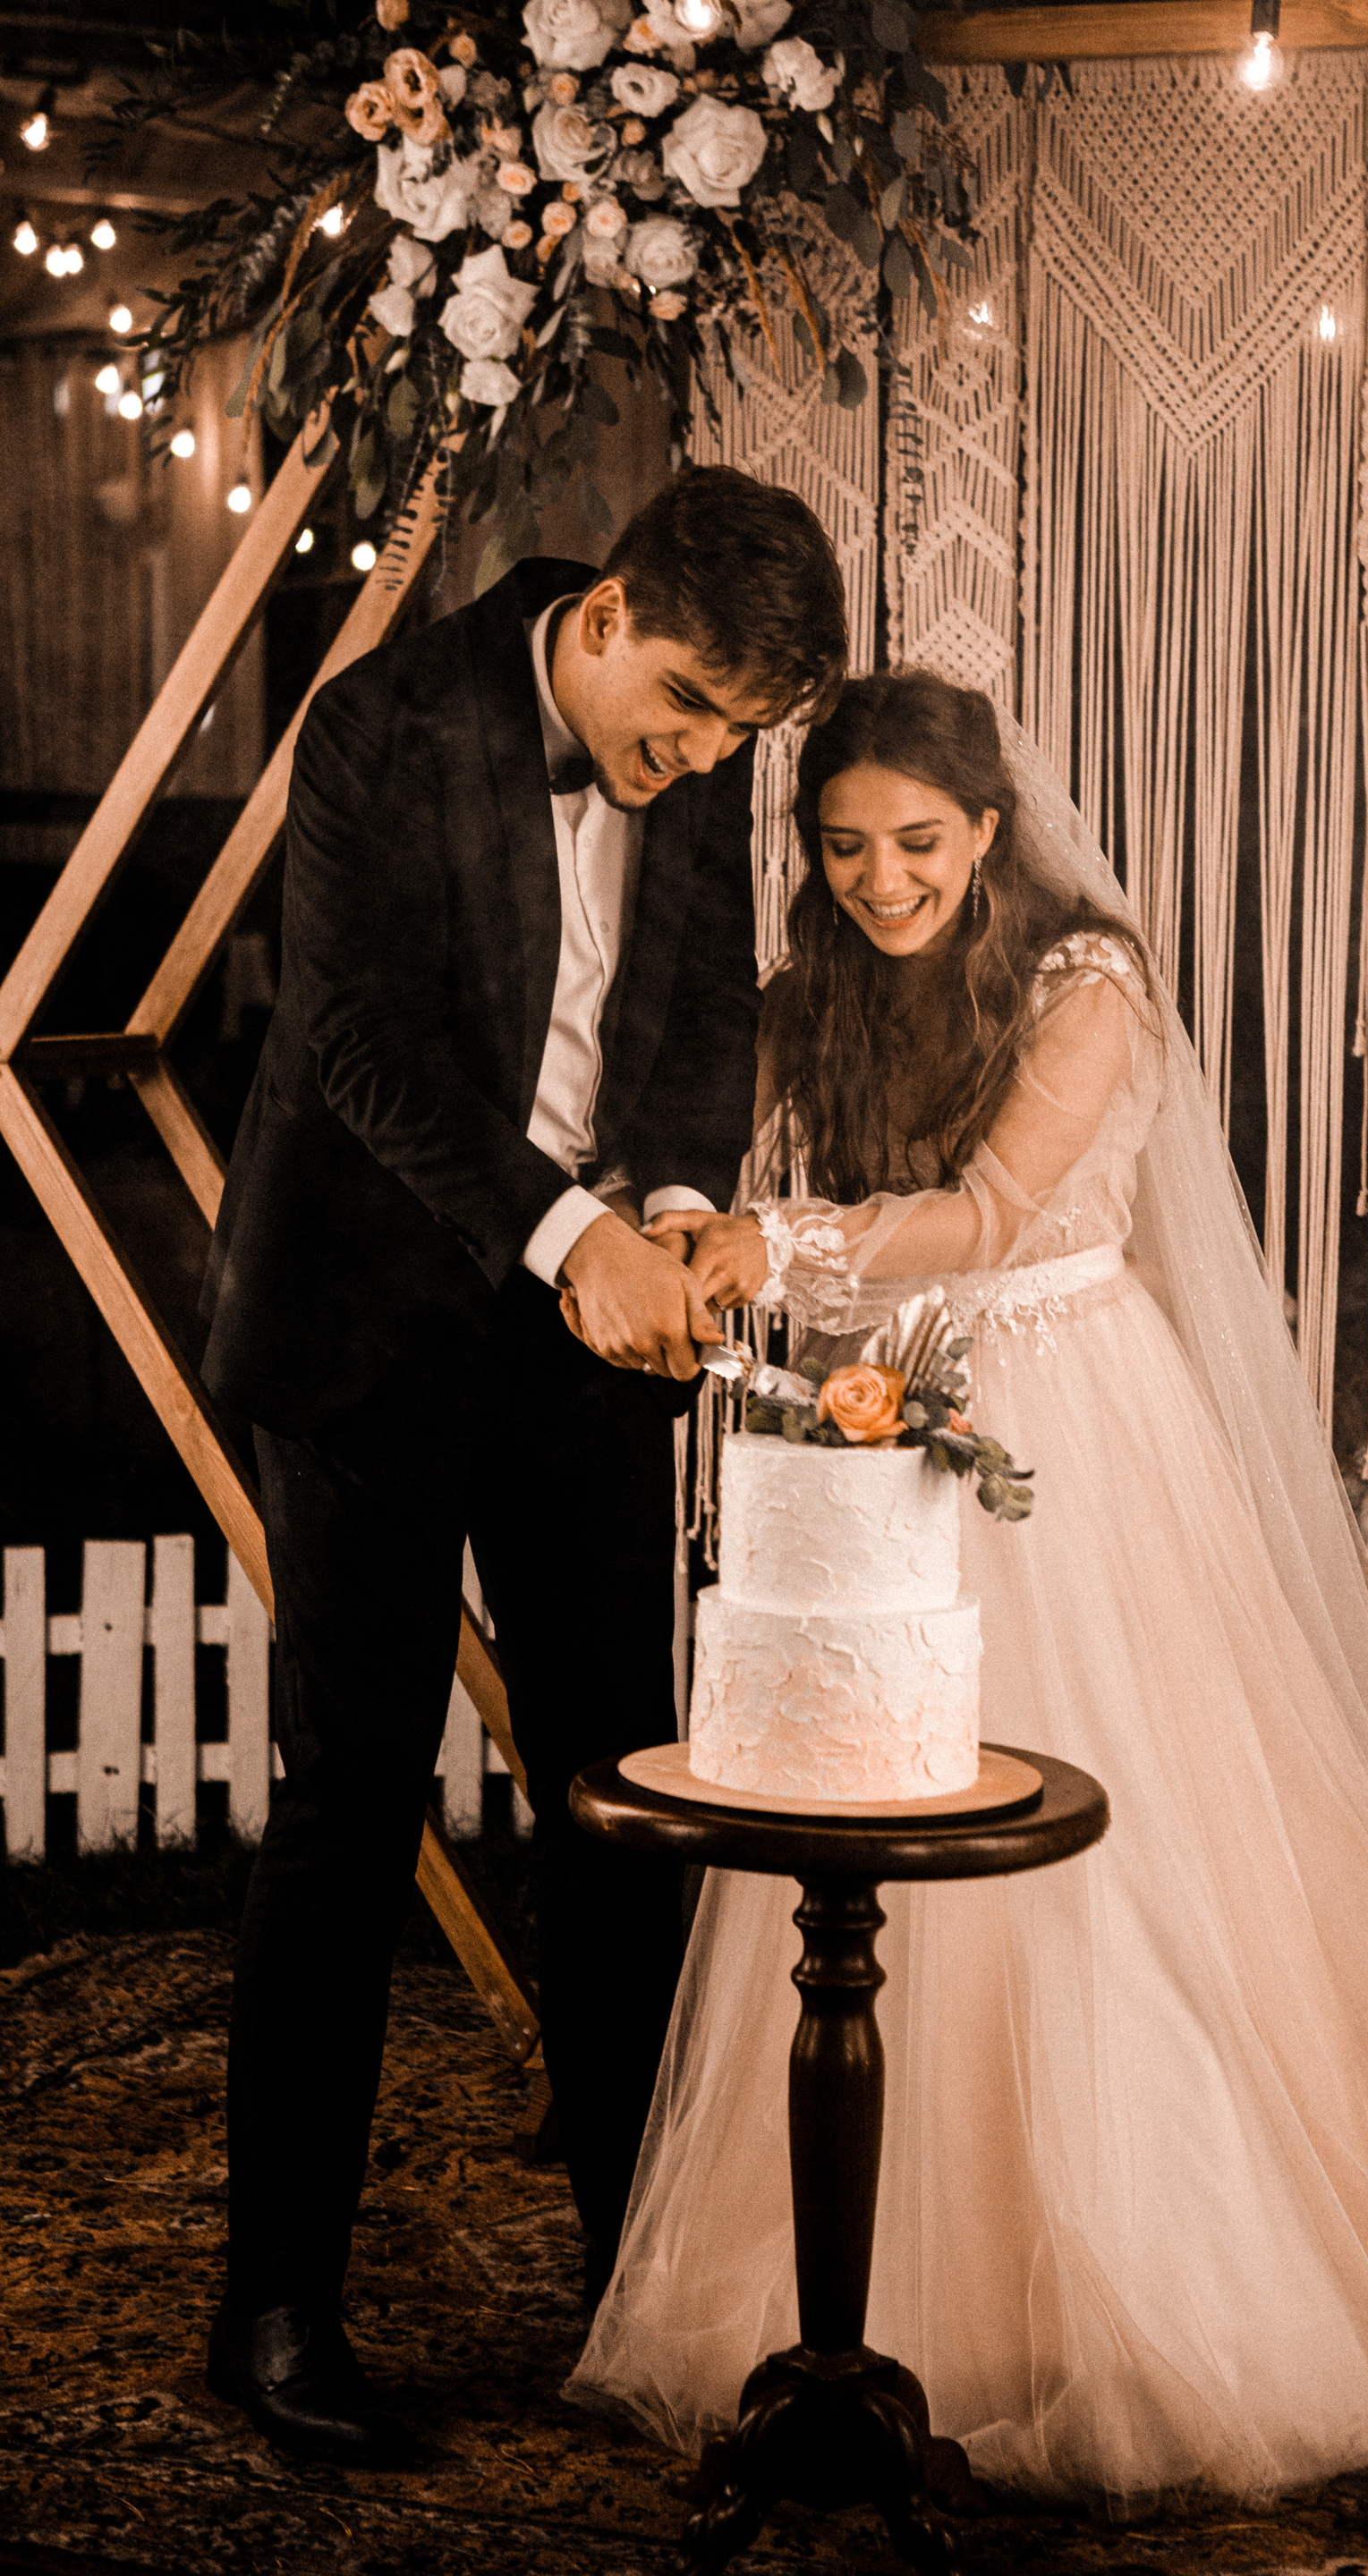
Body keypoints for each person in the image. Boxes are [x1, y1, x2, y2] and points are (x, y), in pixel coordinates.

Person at [571, 670, 1368, 2511]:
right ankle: (892, 2292)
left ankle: (1170, 2289)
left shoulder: (1090, 985)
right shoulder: (822, 978)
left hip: (1071, 1420)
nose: (882, 881)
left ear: (990, 830)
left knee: (1116, 1861)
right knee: (882, 1839)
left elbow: (995, 1220)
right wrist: (668, 1216)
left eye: (919, 843)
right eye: (844, 847)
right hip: (893, 1416)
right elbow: (705, 1119)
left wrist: (778, 1245)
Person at [197, 465, 847, 2465]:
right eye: (684, 715)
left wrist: (675, 1201)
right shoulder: (381, 722)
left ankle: (640, 2296)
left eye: (734, 737)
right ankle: (274, 2309)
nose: (698, 762)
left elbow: (700, 1010)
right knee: (352, 1805)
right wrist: (576, 1242)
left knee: (619, 1793)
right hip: (365, 1327)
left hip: (583, 1336)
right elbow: (358, 1045)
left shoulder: (696, 746)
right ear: (608, 616)